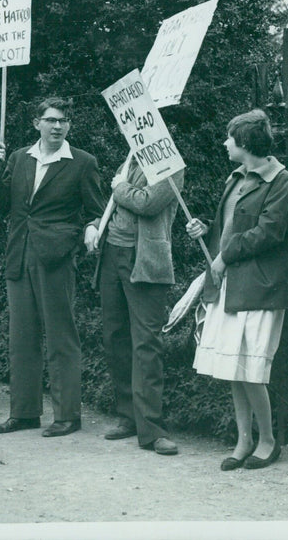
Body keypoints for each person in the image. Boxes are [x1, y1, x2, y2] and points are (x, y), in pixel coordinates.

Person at [0, 97, 105, 437]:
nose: (58, 126)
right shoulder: (19, 158)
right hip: (19, 254)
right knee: (21, 337)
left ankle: (67, 415)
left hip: (55, 258)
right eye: (51, 120)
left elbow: (95, 210)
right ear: (36, 122)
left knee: (60, 337)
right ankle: (23, 413)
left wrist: (90, 230)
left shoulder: (82, 162)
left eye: (64, 121)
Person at [185, 109, 288, 472]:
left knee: (251, 368)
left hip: (260, 285)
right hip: (231, 283)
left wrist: (224, 256)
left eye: (229, 138)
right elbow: (230, 225)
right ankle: (243, 439)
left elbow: (269, 232)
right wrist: (206, 229)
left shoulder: (282, 181)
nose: (224, 143)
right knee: (234, 366)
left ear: (245, 142)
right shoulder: (236, 178)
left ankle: (267, 439)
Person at [93, 156, 184, 456]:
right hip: (112, 255)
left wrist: (119, 186)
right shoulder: (127, 159)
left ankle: (152, 429)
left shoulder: (170, 164)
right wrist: (94, 227)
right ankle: (128, 416)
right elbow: (115, 208)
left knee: (146, 342)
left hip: (144, 260)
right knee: (115, 337)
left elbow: (147, 202)